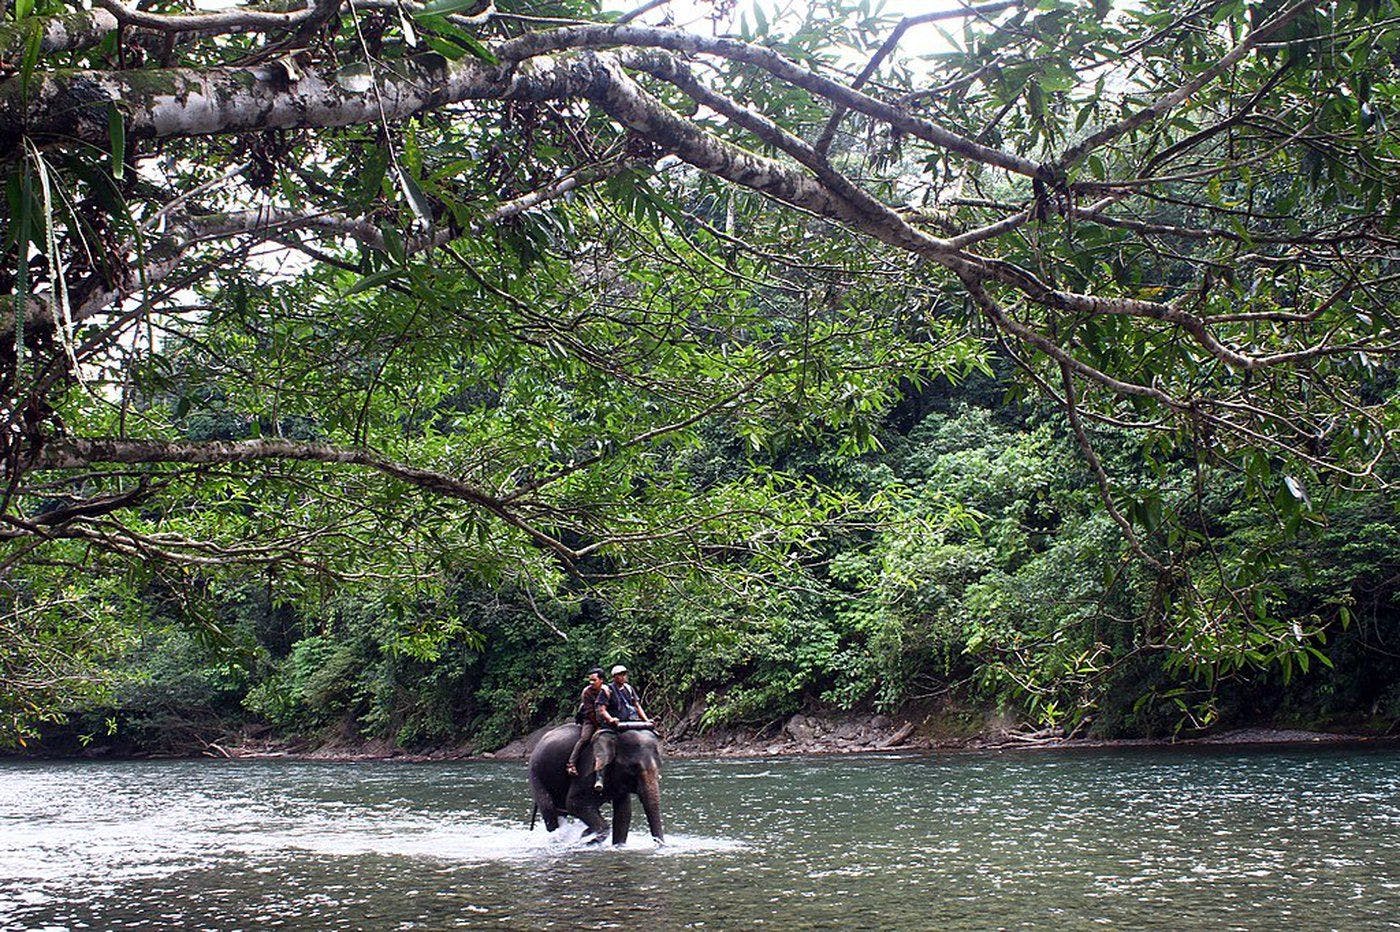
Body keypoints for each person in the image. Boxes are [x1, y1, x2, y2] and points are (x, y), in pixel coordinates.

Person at [591, 664, 650, 793]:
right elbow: (601, 709)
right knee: (602, 745)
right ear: (615, 677)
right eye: (620, 675)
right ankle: (599, 776)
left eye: (624, 674)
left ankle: (649, 771)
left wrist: (646, 720)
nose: (623, 677)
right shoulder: (607, 690)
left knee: (646, 742)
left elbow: (637, 705)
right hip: (612, 727)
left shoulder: (629, 689)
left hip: (629, 724)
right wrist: (610, 719)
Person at [566, 667, 606, 777]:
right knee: (585, 738)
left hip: (605, 717)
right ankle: (571, 763)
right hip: (590, 719)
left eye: (594, 680)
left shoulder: (606, 690)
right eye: (590, 680)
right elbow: (590, 712)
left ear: (601, 680)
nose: (592, 683)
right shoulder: (587, 692)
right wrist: (598, 726)